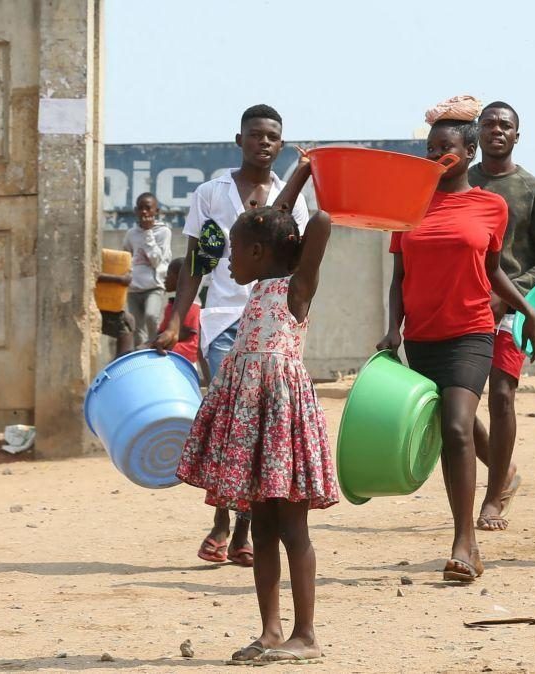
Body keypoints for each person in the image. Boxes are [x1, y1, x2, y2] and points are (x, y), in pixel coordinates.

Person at [175, 150, 336, 664]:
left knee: (292, 529)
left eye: (236, 252)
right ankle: (271, 631)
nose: (228, 261)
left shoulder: (296, 291)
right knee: (262, 528)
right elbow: (278, 223)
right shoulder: (265, 280)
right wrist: (299, 173)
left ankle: (305, 635)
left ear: (263, 252)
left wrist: (324, 180)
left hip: (281, 420)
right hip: (252, 418)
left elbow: (319, 227)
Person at [377, 95, 535, 583]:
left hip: (471, 332)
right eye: (430, 149)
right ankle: (491, 487)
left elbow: (493, 272)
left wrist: (527, 309)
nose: (436, 157)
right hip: (421, 336)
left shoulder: (491, 206)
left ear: (468, 153)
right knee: (444, 434)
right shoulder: (407, 206)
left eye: (445, 149)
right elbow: (398, 275)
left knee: (456, 427)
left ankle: (464, 541)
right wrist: (392, 327)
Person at [152, 104, 308, 567]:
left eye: (272, 137)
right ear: (239, 140)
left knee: (259, 424)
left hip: (272, 322)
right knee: (232, 420)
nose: (264, 143)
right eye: (255, 135)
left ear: (281, 145)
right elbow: (196, 262)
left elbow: (298, 261)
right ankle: (224, 520)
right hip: (221, 320)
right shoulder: (211, 194)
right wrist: (177, 320)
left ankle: (239, 531)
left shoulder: (292, 195)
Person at [468, 101, 535, 531]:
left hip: (512, 312)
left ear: (516, 136)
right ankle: (503, 471)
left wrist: (509, 298)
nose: (496, 130)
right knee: (453, 404)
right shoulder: (460, 184)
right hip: (460, 308)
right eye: (488, 123)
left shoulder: (533, 191)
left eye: (505, 125)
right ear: (477, 132)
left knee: (502, 396)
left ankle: (492, 498)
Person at [123, 192, 171, 345]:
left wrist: (148, 233)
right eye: (140, 208)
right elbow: (126, 257)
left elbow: (156, 261)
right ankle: (141, 356)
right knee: (136, 328)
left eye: (148, 208)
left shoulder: (163, 232)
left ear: (156, 211)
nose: (144, 212)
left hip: (154, 287)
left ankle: (154, 347)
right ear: (136, 211)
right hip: (134, 288)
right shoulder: (131, 234)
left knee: (151, 316)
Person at [158, 258, 200, 363]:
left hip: (186, 349)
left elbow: (185, 333)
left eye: (168, 275)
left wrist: (151, 344)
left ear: (179, 279)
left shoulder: (191, 306)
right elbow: (161, 331)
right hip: (174, 345)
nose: (165, 279)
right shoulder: (171, 305)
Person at [96, 269, 135, 360]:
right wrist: (119, 279)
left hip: (103, 304)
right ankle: (118, 366)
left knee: (128, 322)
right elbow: (92, 274)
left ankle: (119, 365)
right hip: (87, 305)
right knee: (126, 323)